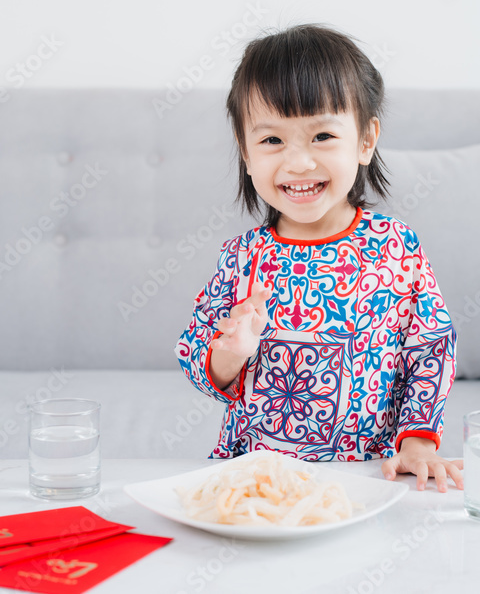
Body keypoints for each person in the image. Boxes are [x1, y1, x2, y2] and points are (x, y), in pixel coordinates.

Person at [174, 24, 462, 493]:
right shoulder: (242, 258)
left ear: (366, 140)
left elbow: (429, 349)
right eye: (271, 141)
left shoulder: (395, 247)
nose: (299, 162)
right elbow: (194, 354)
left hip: (364, 476)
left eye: (322, 135)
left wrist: (418, 443)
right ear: (245, 151)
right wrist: (229, 354)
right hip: (254, 477)